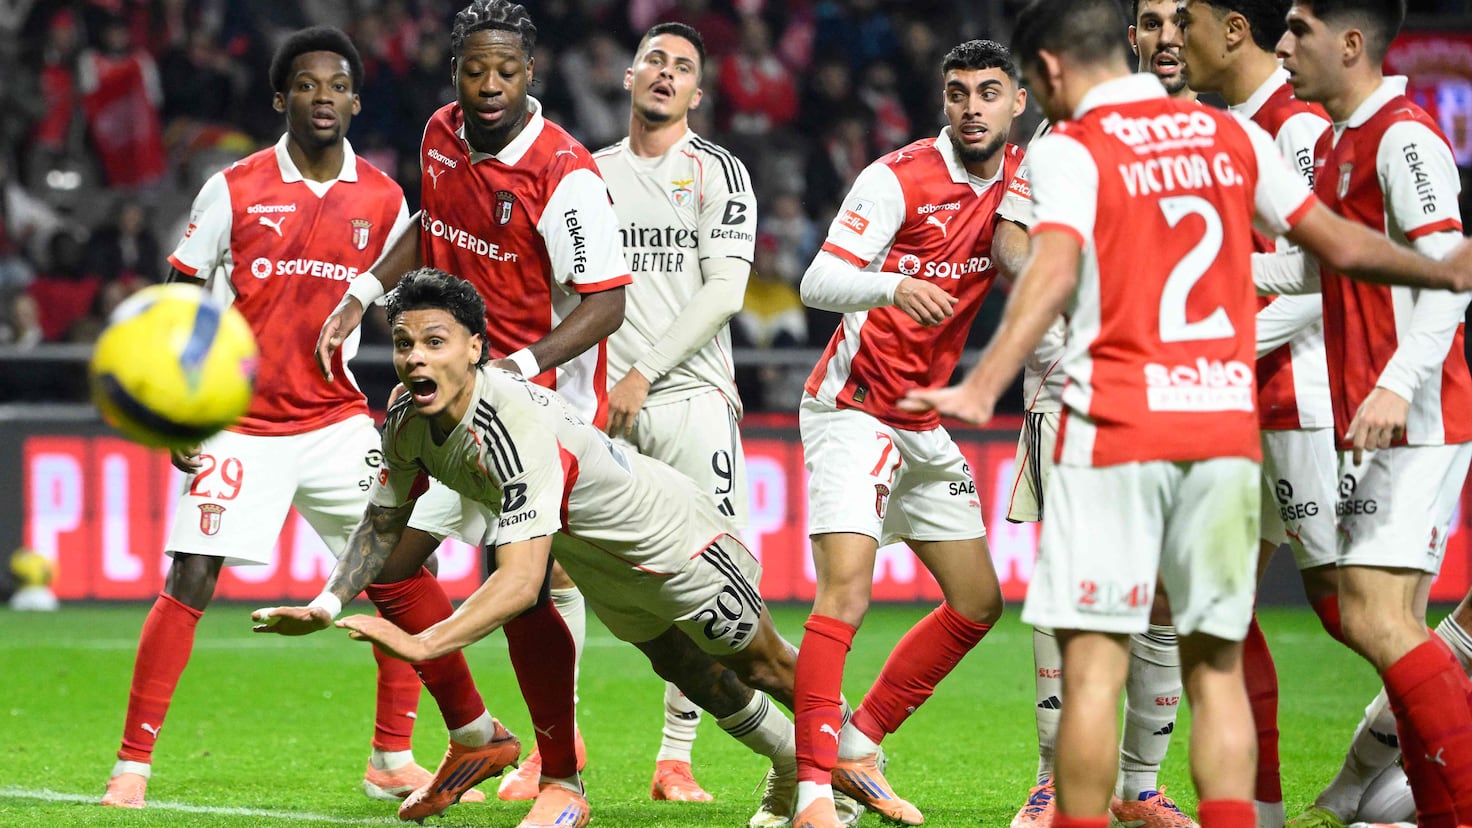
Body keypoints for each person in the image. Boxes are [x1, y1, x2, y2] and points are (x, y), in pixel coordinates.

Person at [904, 6, 1472, 828]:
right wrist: (1439, 265)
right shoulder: (1224, 136)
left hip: (1118, 428)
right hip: (1218, 435)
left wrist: (983, 382)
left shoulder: (1073, 148)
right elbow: (1335, 247)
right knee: (1214, 665)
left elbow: (1052, 267)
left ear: (1051, 71)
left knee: (1095, 667)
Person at [258, 267, 805, 828]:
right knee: (691, 671)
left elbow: (520, 584)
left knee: (766, 667)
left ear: (475, 349)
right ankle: (792, 762)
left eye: (434, 342)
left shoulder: (508, 424)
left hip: (673, 542)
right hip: (601, 563)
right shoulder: (406, 420)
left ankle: (851, 762)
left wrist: (425, 644)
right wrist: (324, 606)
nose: (415, 357)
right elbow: (381, 526)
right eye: (404, 343)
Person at [98, 26, 448, 810]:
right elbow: (180, 293)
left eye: (336, 86)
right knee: (190, 576)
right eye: (306, 84)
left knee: (397, 574)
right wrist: (176, 411)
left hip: (335, 422)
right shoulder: (233, 187)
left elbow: (411, 293)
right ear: (279, 97)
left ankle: (392, 756)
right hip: (237, 421)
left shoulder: (386, 199)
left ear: (356, 100)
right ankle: (133, 764)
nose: (322, 97)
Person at [313, 1, 629, 821]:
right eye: (474, 69)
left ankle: (563, 778)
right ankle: (478, 733)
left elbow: (605, 305)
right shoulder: (439, 132)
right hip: (452, 397)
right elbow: (434, 224)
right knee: (390, 570)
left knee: (526, 587)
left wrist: (516, 367)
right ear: (454, 70)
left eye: (507, 71)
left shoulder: (565, 173)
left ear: (534, 74)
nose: (489, 87)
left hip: (537, 408)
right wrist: (359, 294)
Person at [507, 20, 755, 811]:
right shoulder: (583, 172)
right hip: (591, 402)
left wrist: (645, 372)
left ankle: (676, 757)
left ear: (697, 92)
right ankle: (558, 748)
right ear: (627, 75)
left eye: (682, 67)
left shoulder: (718, 170)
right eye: (655, 59)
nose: (665, 73)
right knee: (554, 569)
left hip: (687, 400)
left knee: (707, 578)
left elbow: (726, 291)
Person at [789, 39, 1025, 828]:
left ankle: (857, 744)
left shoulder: (1029, 179)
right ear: (943, 102)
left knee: (977, 601)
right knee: (847, 591)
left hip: (925, 420)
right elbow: (816, 280)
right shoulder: (898, 177)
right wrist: (894, 284)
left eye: (988, 92)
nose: (971, 107)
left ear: (1017, 102)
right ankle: (812, 793)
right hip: (852, 406)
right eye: (958, 93)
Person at [1270, 0, 1472, 825]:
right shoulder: (1337, 143)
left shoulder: (1404, 137)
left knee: (1377, 620)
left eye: (1298, 29)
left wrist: (1394, 385)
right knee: (1386, 620)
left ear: (1350, 43)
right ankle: (1421, 801)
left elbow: (1449, 274)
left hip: (1418, 413)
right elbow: (1318, 273)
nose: (1283, 46)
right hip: (1378, 417)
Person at [1173, 3, 1334, 826]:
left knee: (1358, 614)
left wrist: (1215, 342)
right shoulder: (1210, 127)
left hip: (1302, 400)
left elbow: (1325, 279)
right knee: (1218, 611)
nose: (1171, 40)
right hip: (1233, 406)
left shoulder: (1298, 128)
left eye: (1183, 22)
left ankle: (1425, 781)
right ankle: (1260, 816)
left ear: (1233, 30)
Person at [1130, 0, 1197, 101]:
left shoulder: (1221, 117)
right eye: (1152, 25)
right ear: (1133, 39)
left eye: (1182, 23)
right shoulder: (1104, 115)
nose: (1165, 39)